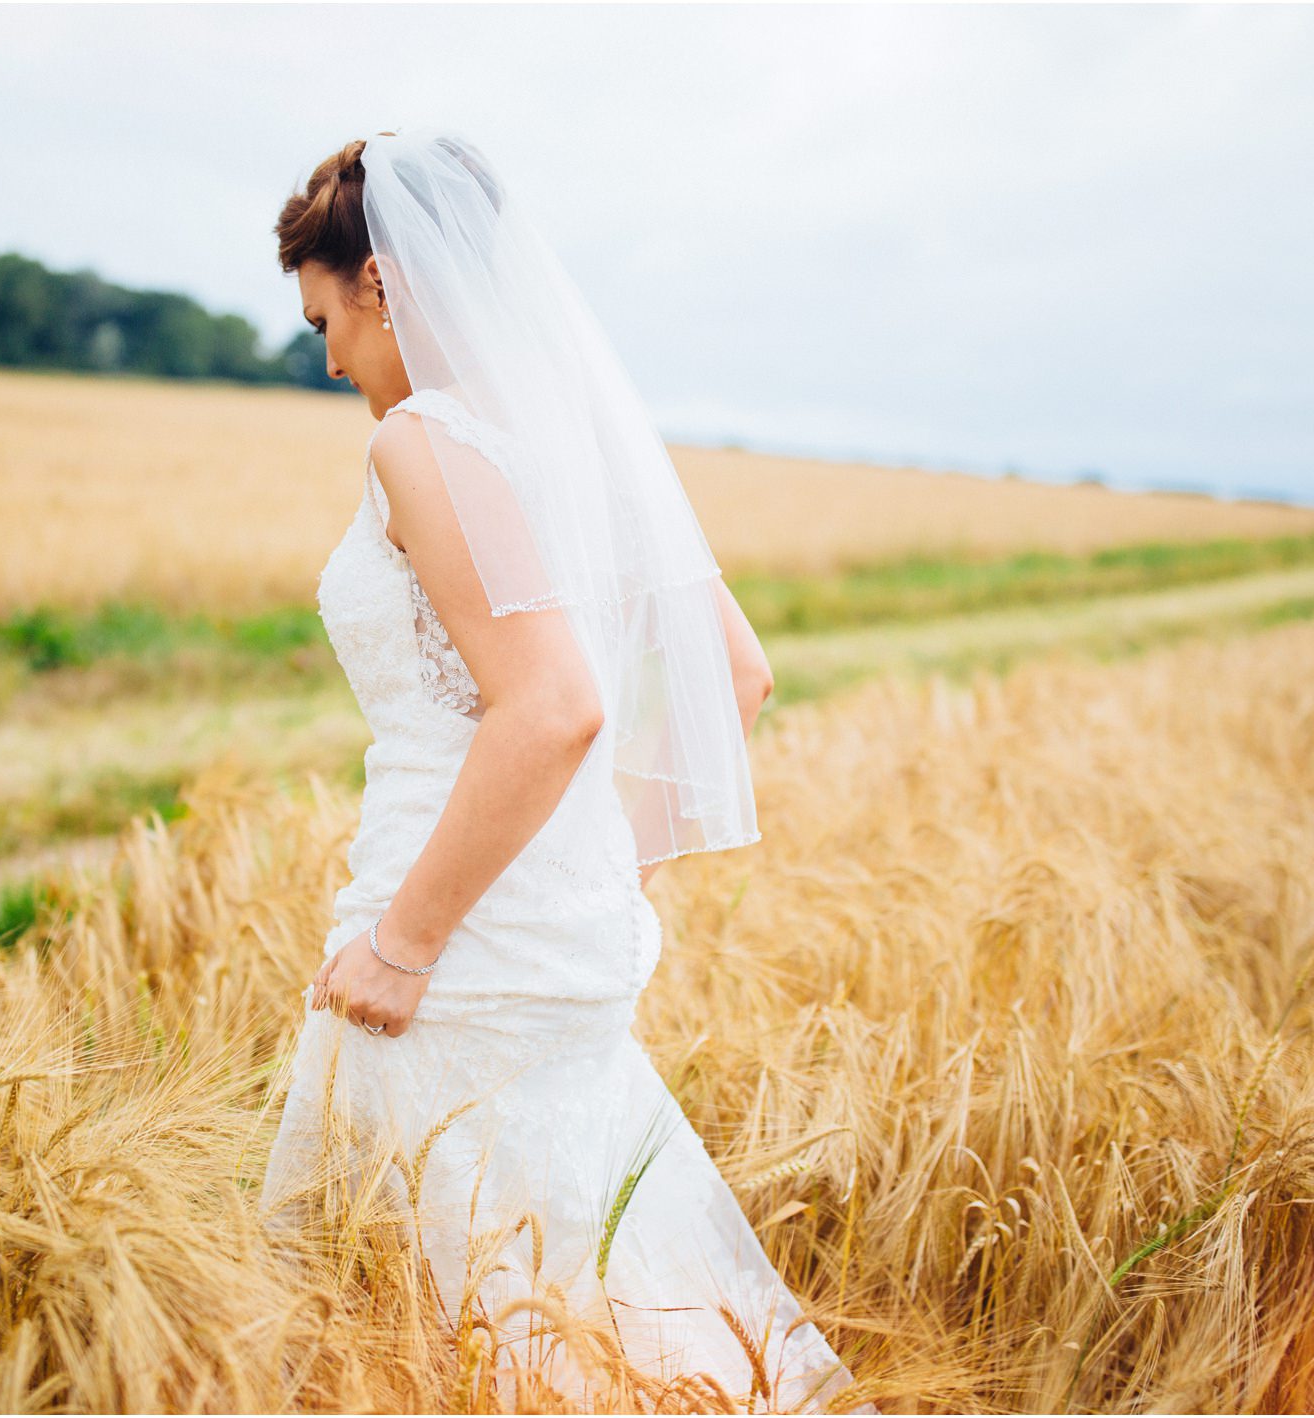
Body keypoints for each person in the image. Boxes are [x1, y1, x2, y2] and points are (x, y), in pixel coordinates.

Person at [256, 129, 873, 1415]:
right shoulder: (577, 449)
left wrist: (407, 943)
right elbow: (739, 676)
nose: (327, 358)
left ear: (383, 282)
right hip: (554, 933)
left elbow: (550, 708)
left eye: (327, 317)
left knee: (400, 1329)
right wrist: (601, 871)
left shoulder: (420, 443)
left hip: (449, 946)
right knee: (581, 1291)